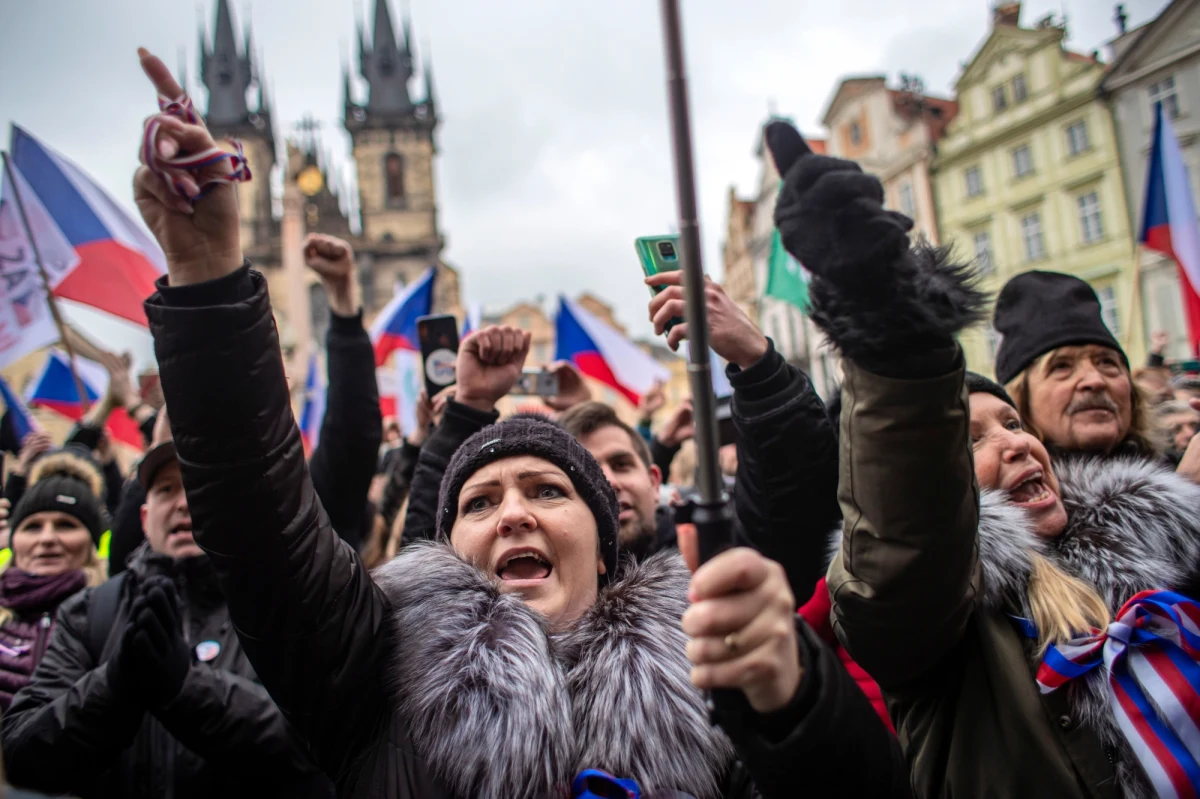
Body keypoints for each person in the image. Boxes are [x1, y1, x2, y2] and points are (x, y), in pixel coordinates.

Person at [124, 49, 910, 798]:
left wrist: (796, 703)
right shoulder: (375, 672)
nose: (515, 511)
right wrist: (206, 282)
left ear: (607, 549)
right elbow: (264, 524)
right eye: (479, 502)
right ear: (443, 550)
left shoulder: (703, 668)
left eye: (547, 487)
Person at [766, 118, 1200, 797]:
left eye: (1014, 423)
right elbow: (907, 524)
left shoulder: (1154, 541)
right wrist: (889, 326)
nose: (1018, 441)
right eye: (971, 439)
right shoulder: (945, 618)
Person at [2, 416, 331, 797]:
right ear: (144, 518)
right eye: (165, 489)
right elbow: (21, 752)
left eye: (197, 486)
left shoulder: (283, 604)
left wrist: (185, 687)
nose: (181, 503)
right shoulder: (90, 612)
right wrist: (113, 686)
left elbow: (320, 746)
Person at [993, 270, 1157, 460]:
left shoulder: (1187, 474)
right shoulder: (986, 489)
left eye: (1107, 362)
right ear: (1019, 402)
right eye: (1061, 366)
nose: (1095, 380)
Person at [0, 451, 108, 711]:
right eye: (32, 527)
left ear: (91, 543)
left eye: (66, 525)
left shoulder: (111, 616)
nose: (46, 538)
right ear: (13, 541)